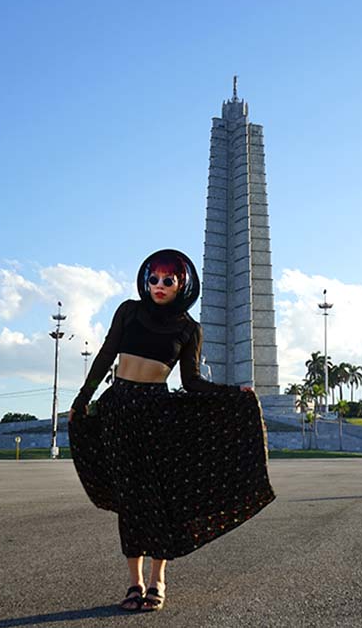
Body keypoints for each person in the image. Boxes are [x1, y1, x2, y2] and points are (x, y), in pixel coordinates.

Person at [68, 249, 275, 613]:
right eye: (154, 279)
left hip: (157, 413)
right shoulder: (128, 311)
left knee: (160, 497)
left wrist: (232, 393)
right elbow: (105, 355)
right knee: (130, 498)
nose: (159, 286)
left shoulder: (189, 329)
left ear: (182, 284)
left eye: (168, 280)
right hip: (118, 410)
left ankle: (157, 579)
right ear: (145, 281)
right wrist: (83, 398)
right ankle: (133, 582)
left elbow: (192, 382)